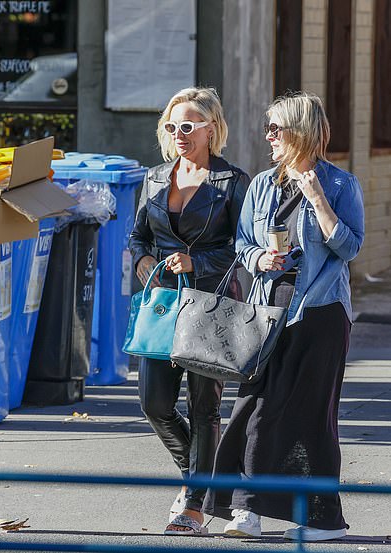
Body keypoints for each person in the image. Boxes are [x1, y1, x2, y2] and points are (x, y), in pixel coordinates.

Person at [204, 92, 365, 541]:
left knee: (312, 417)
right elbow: (242, 244)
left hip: (319, 314)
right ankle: (246, 510)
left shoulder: (338, 185)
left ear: (302, 133)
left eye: (277, 128)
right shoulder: (261, 185)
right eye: (268, 128)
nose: (268, 136)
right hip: (266, 311)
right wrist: (260, 261)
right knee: (251, 410)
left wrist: (317, 199)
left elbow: (350, 247)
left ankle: (323, 520)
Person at [129, 87, 249, 535]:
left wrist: (199, 261)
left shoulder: (233, 182)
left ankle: (195, 505)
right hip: (162, 304)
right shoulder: (156, 177)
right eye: (171, 126)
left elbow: (245, 247)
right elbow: (138, 235)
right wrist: (142, 260)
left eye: (188, 126)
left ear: (210, 129)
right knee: (153, 402)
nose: (178, 134)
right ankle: (197, 476)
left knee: (204, 408)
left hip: (210, 303)